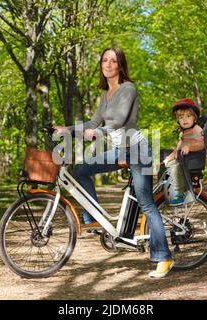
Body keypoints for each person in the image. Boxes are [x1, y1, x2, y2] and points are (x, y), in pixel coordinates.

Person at [55, 47, 173, 278]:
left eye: (114, 61)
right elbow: (93, 120)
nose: (108, 64)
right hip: (120, 149)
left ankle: (164, 257)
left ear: (120, 66)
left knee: (146, 203)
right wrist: (66, 129)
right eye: (105, 60)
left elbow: (118, 121)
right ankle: (95, 219)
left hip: (138, 151)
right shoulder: (105, 94)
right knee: (81, 169)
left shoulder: (127, 89)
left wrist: (96, 133)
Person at [162, 98, 205, 204]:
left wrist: (189, 147)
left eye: (188, 116)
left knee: (176, 168)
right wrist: (168, 158)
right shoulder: (183, 134)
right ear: (178, 120)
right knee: (166, 167)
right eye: (181, 117)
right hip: (182, 160)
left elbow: (201, 144)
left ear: (194, 118)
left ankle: (179, 194)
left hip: (191, 161)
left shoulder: (197, 129)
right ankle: (166, 188)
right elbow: (178, 149)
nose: (185, 119)